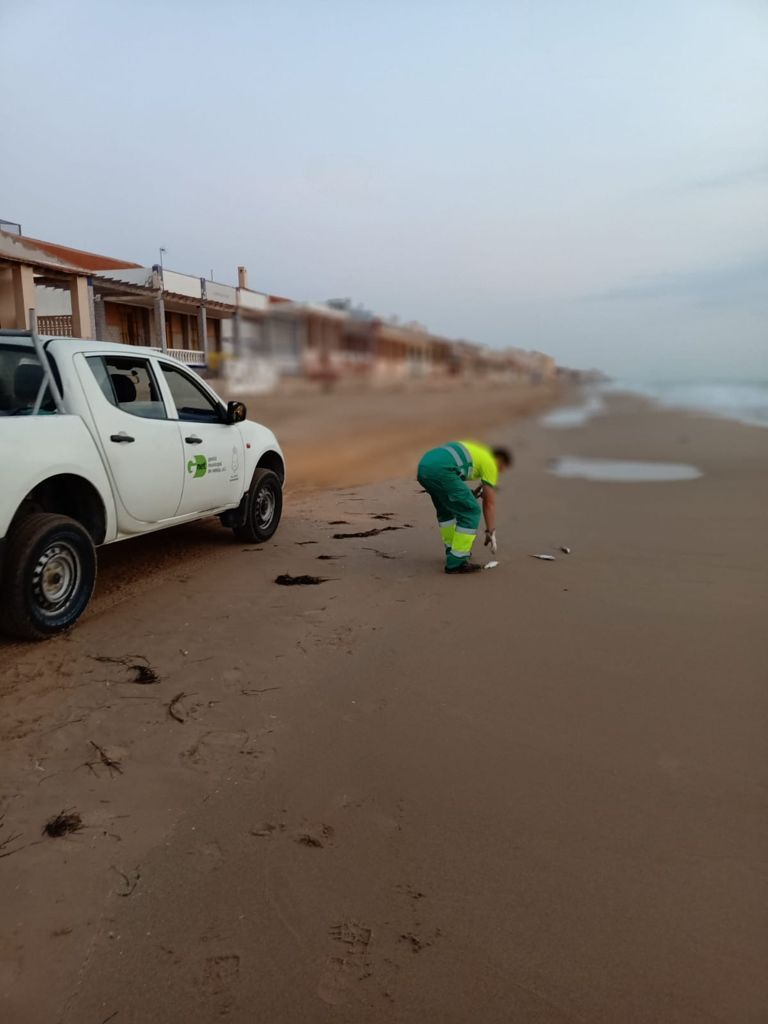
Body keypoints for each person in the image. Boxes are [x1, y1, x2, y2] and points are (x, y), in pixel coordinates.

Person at [417, 440, 513, 574]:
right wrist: (490, 531)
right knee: (471, 511)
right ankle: (457, 561)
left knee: (446, 511)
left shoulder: (477, 452)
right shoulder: (491, 463)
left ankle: (453, 550)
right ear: (500, 460)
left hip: (424, 467)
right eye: (502, 468)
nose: (500, 472)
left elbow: (454, 483)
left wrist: (471, 494)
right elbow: (489, 503)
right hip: (442, 471)